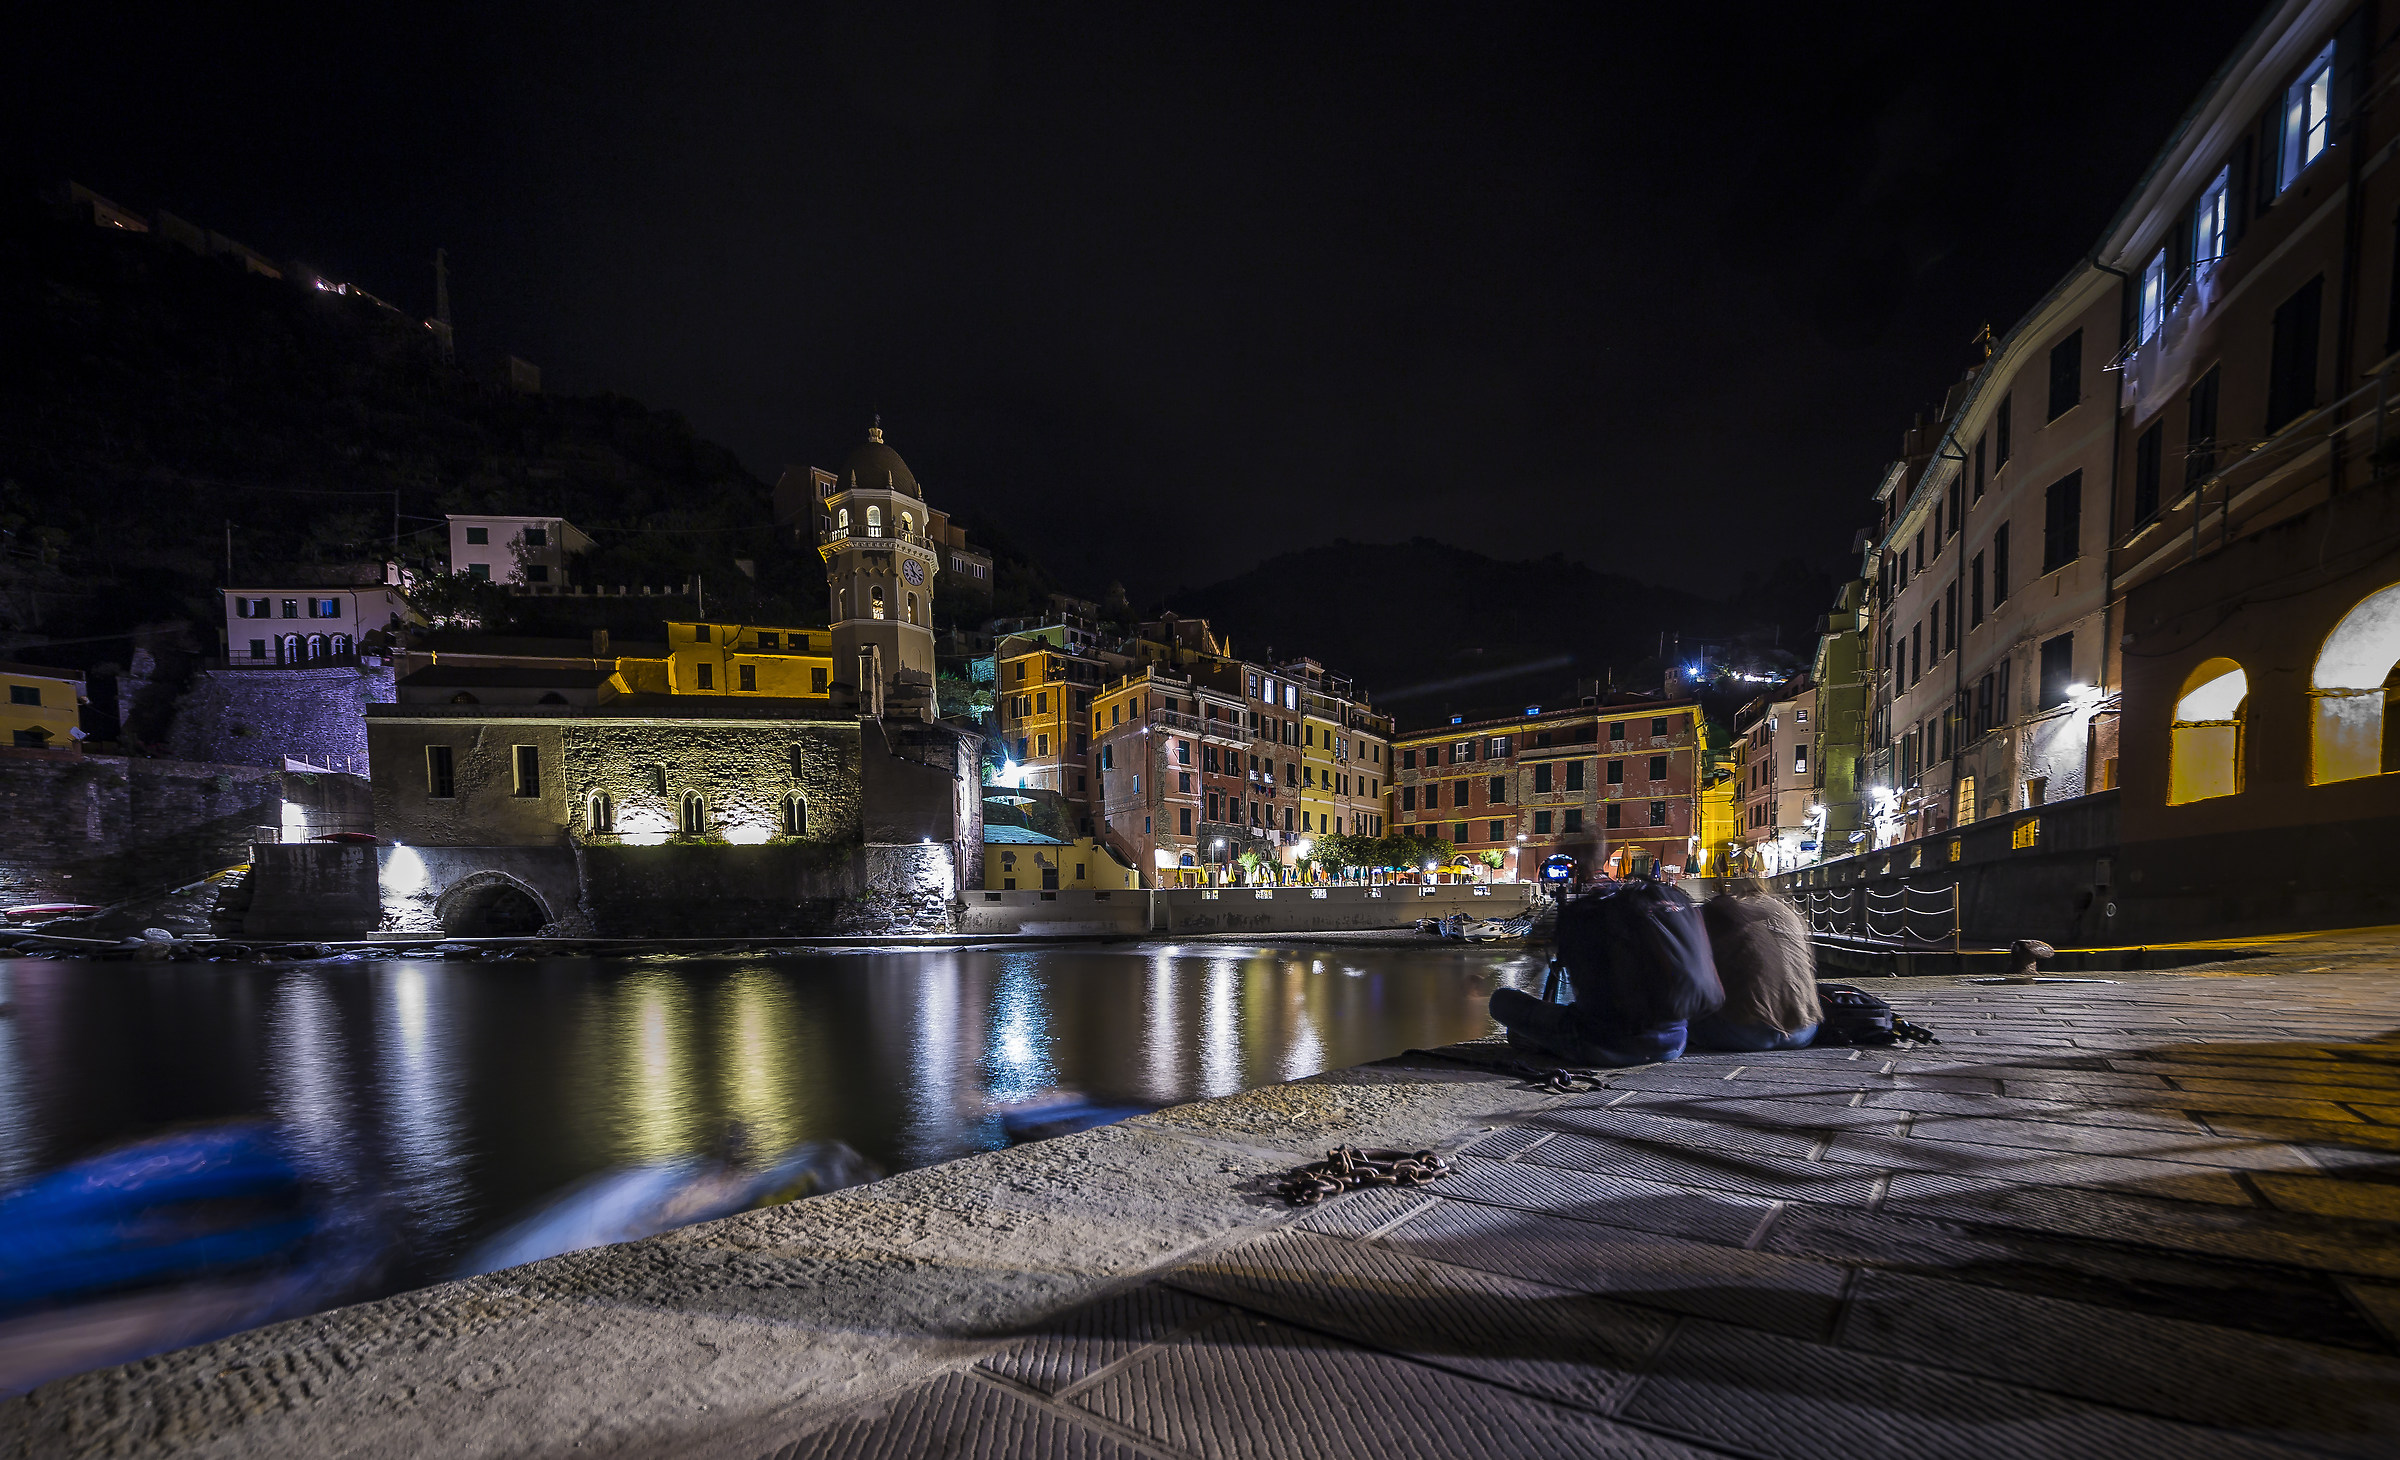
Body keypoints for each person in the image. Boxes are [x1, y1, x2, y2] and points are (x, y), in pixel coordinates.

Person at [1489, 877, 1723, 1065]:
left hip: (1606, 1045)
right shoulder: (1652, 914)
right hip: (1675, 1041)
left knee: (1502, 1001)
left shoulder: (1592, 917)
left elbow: (1588, 995)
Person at [1688, 883, 1821, 1052]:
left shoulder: (1718, 910)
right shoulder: (1786, 910)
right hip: (1804, 1031)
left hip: (1743, 1034)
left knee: (1683, 1020)